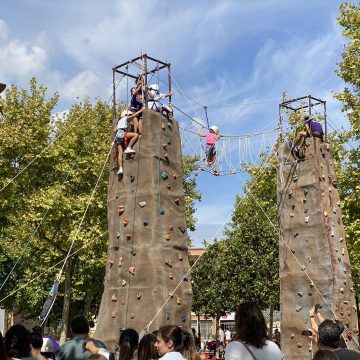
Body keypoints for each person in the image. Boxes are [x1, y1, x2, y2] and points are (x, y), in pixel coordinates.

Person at [114, 108, 143, 175]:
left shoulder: (119, 121)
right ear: (126, 115)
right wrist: (141, 110)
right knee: (135, 135)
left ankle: (120, 168)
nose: (130, 117)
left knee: (120, 153)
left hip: (117, 137)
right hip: (122, 134)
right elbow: (134, 115)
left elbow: (114, 130)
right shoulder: (125, 118)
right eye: (129, 115)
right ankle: (128, 148)